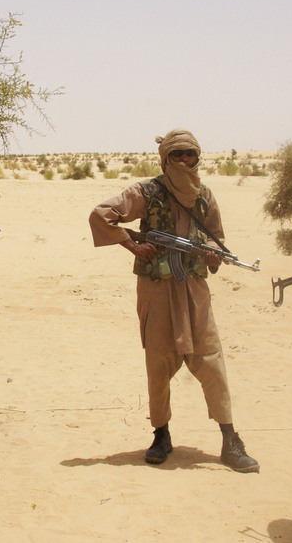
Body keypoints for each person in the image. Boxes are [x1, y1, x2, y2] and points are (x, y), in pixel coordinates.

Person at [89, 129, 259, 473]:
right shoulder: (146, 192)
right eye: (176, 155)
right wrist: (132, 244)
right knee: (159, 363)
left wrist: (213, 255)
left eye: (190, 155)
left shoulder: (205, 195)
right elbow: (101, 215)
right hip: (156, 289)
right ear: (164, 159)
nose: (184, 161)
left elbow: (216, 237)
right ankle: (161, 435)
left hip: (194, 290)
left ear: (198, 158)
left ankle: (230, 439)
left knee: (210, 359)